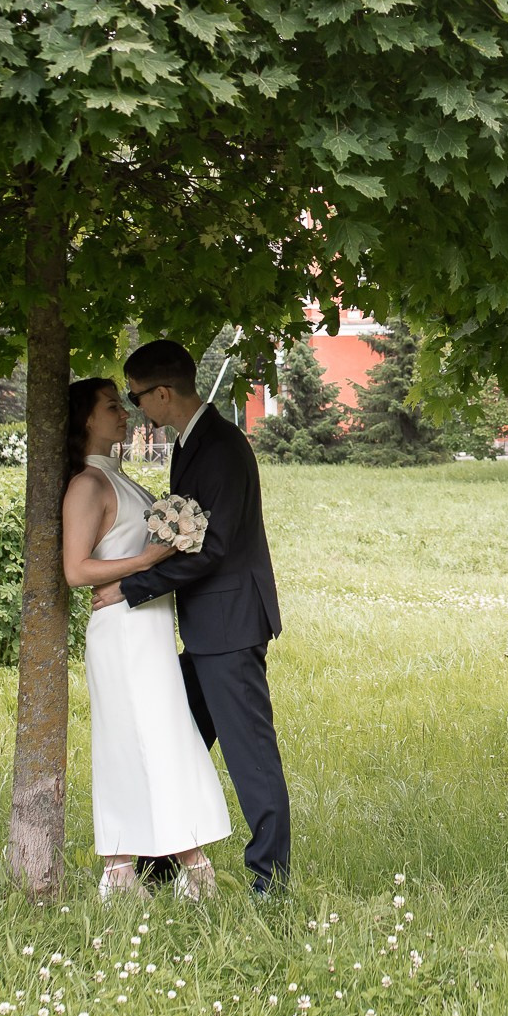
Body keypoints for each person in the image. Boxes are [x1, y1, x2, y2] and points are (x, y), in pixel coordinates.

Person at [95, 338, 291, 895]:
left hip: (231, 624)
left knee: (250, 755)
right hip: (209, 626)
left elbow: (213, 550)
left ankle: (270, 884)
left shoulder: (221, 446)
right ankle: (159, 863)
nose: (135, 409)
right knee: (175, 735)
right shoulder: (189, 443)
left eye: (136, 398)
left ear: (162, 393)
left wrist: (130, 587)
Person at [60, 375, 229, 900]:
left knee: (164, 736)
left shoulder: (120, 479)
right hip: (122, 634)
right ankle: (159, 868)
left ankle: (138, 868)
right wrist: (146, 563)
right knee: (139, 740)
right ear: (87, 420)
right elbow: (76, 570)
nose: (124, 413)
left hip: (149, 628)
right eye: (112, 406)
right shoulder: (88, 485)